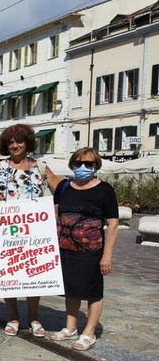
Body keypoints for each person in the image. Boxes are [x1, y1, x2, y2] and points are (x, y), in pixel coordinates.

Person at [0, 123, 60, 338]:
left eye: (19, 141)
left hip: (35, 231)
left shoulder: (41, 167)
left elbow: (60, 188)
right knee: (8, 273)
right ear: (4, 145)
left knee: (33, 276)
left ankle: (34, 317)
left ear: (27, 143)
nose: (15, 145)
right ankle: (13, 317)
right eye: (10, 142)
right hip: (6, 231)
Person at [50, 148, 119, 350]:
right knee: (71, 289)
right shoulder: (63, 187)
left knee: (93, 291)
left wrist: (107, 256)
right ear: (72, 164)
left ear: (96, 166)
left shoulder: (105, 190)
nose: (83, 167)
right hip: (65, 248)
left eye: (88, 164)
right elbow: (55, 214)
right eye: (79, 163)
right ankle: (70, 327)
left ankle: (89, 332)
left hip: (91, 250)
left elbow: (113, 224)